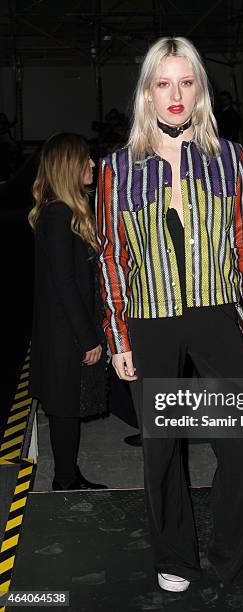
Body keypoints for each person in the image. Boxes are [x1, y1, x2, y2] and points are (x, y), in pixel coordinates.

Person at [96, 36, 243, 591]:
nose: (175, 94)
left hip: (218, 311)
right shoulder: (117, 167)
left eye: (186, 81)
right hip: (149, 316)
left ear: (200, 89)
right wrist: (117, 334)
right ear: (147, 93)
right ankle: (174, 558)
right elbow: (110, 253)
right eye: (163, 83)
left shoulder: (231, 158)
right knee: (163, 447)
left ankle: (242, 556)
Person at [29, 133, 107, 491]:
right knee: (63, 409)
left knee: (67, 408)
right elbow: (64, 283)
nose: (93, 164)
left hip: (64, 328)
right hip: (64, 332)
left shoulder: (64, 210)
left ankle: (68, 476)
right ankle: (64, 481)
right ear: (68, 166)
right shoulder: (58, 214)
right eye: (87, 160)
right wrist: (87, 337)